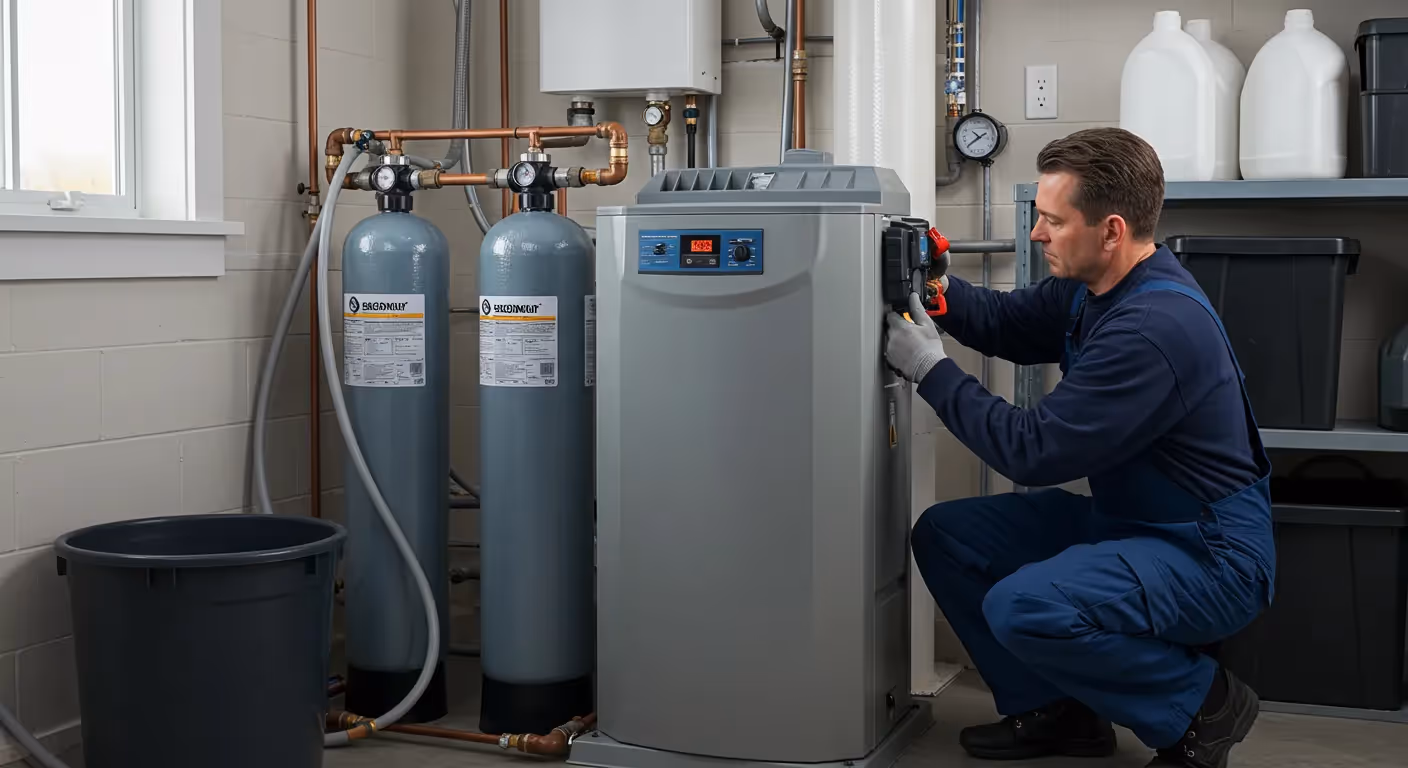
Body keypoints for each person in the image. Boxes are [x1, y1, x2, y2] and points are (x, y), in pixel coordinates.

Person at [884, 127, 1274, 768]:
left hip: (1208, 553)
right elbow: (1006, 321)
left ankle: (1204, 703)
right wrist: (929, 288)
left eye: (1051, 221)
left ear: (1111, 230)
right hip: (1130, 527)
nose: (1036, 234)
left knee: (1025, 606)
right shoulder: (1094, 287)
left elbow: (1032, 451)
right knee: (949, 535)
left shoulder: (1152, 329)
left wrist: (929, 368)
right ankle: (1059, 714)